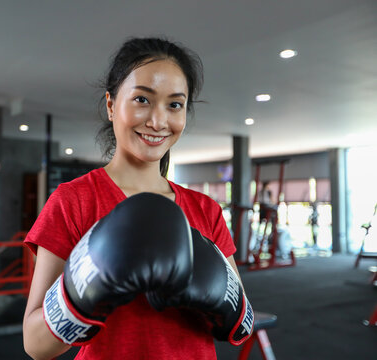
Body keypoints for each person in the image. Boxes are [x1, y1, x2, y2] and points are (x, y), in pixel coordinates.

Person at [22, 37, 252, 359]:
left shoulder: (205, 210)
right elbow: (34, 344)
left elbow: (241, 326)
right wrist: (80, 297)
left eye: (174, 104)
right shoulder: (74, 200)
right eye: (142, 99)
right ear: (111, 104)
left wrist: (217, 298)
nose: (158, 121)